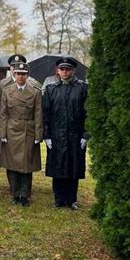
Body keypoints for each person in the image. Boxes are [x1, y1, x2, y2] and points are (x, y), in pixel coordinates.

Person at [43, 57, 88, 210]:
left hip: (75, 135)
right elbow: (46, 114)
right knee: (58, 167)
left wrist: (85, 135)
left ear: (73, 71)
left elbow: (88, 113)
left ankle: (72, 199)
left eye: (68, 69)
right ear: (58, 71)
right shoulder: (51, 89)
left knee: (73, 167)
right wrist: (47, 135)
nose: (65, 71)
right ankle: (59, 199)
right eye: (62, 69)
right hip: (57, 135)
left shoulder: (82, 88)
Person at [0, 62, 43, 206]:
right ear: (14, 74)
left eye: (23, 74)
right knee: (11, 165)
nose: (20, 76)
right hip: (11, 130)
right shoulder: (7, 91)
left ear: (27, 75)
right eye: (18, 73)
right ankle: (14, 193)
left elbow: (38, 115)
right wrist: (2, 133)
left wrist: (38, 135)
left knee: (26, 165)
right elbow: (3, 114)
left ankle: (24, 195)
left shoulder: (35, 92)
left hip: (27, 130)